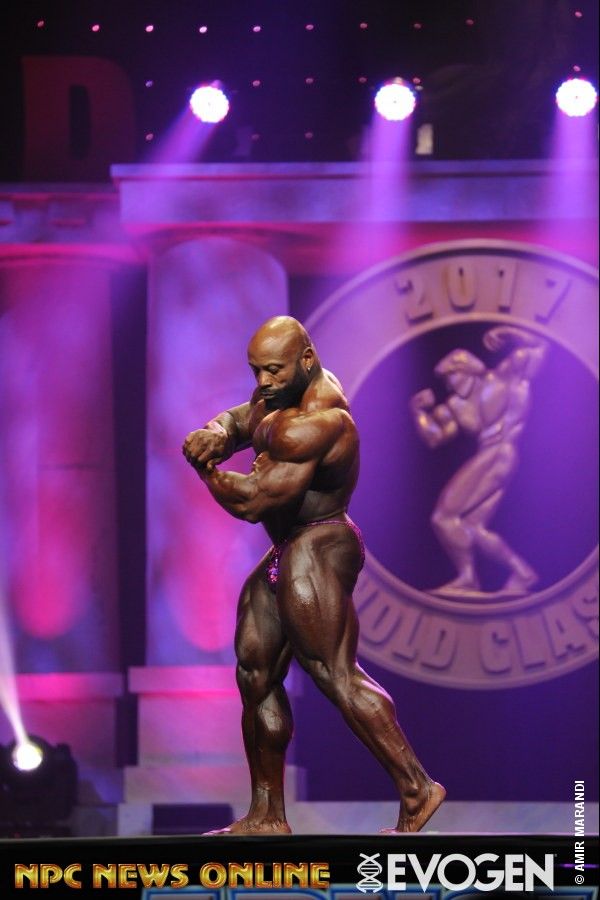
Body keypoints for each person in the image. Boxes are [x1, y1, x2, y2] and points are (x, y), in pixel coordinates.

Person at [182, 315, 445, 834]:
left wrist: (206, 469)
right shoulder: (277, 395)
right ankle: (266, 815)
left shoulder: (320, 421)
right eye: (256, 370)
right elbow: (242, 419)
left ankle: (418, 788)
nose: (263, 381)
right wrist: (215, 433)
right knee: (255, 671)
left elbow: (253, 502)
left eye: (273, 370)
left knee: (333, 672)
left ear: (306, 359)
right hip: (286, 546)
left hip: (321, 542)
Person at [410, 325, 547, 598]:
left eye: (452, 376)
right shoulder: (457, 405)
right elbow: (435, 438)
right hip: (495, 457)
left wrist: (509, 332)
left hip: (499, 452)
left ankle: (468, 579)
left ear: (466, 370)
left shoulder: (504, 376)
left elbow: (540, 347)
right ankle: (521, 573)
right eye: (447, 380)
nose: (450, 384)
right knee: (472, 527)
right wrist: (418, 412)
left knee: (443, 517)